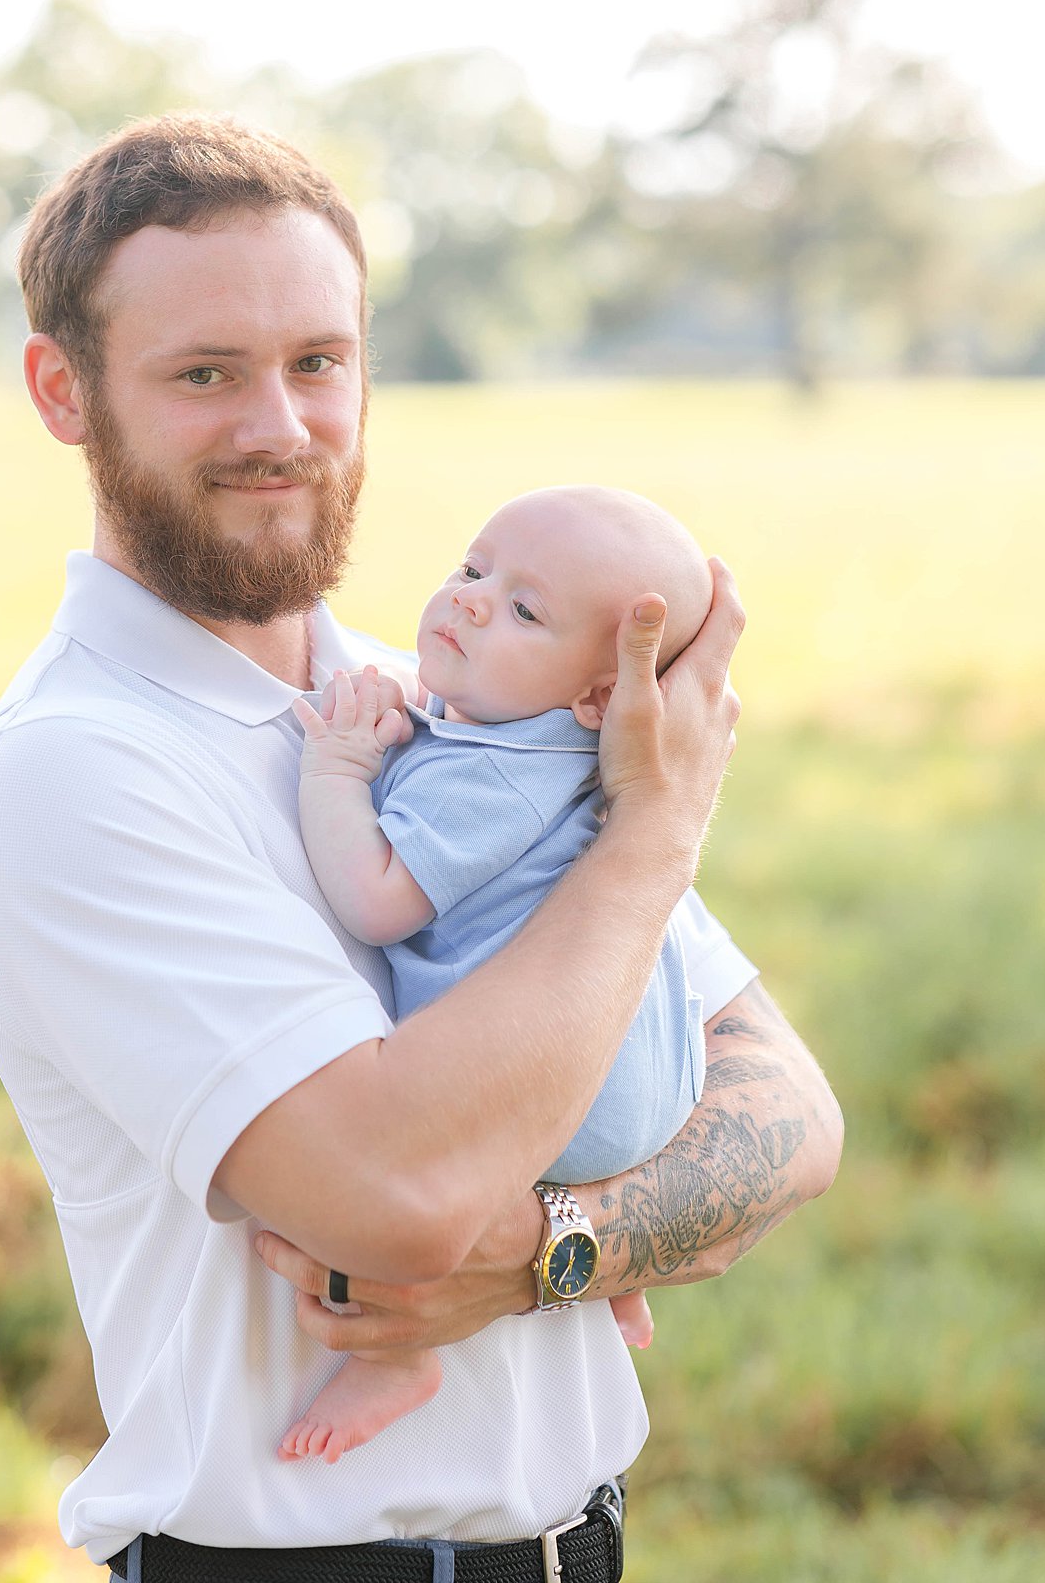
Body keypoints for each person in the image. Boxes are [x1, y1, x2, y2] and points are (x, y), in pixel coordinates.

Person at [0, 113, 843, 1581]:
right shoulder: (76, 775)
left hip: (580, 1547)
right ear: (63, 391)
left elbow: (792, 1114)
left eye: (318, 362)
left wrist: (560, 1248)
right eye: (204, 375)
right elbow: (398, 1203)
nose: (278, 426)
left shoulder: (461, 705)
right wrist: (651, 834)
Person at [279, 484, 715, 1465]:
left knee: (376, 1150)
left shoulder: (497, 772)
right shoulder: (543, 744)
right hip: (643, 1075)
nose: (470, 600)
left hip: (576, 1097)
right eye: (473, 570)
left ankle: (401, 1357)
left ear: (599, 694)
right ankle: (616, 1271)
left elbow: (379, 896)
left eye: (523, 609)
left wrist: (339, 768)